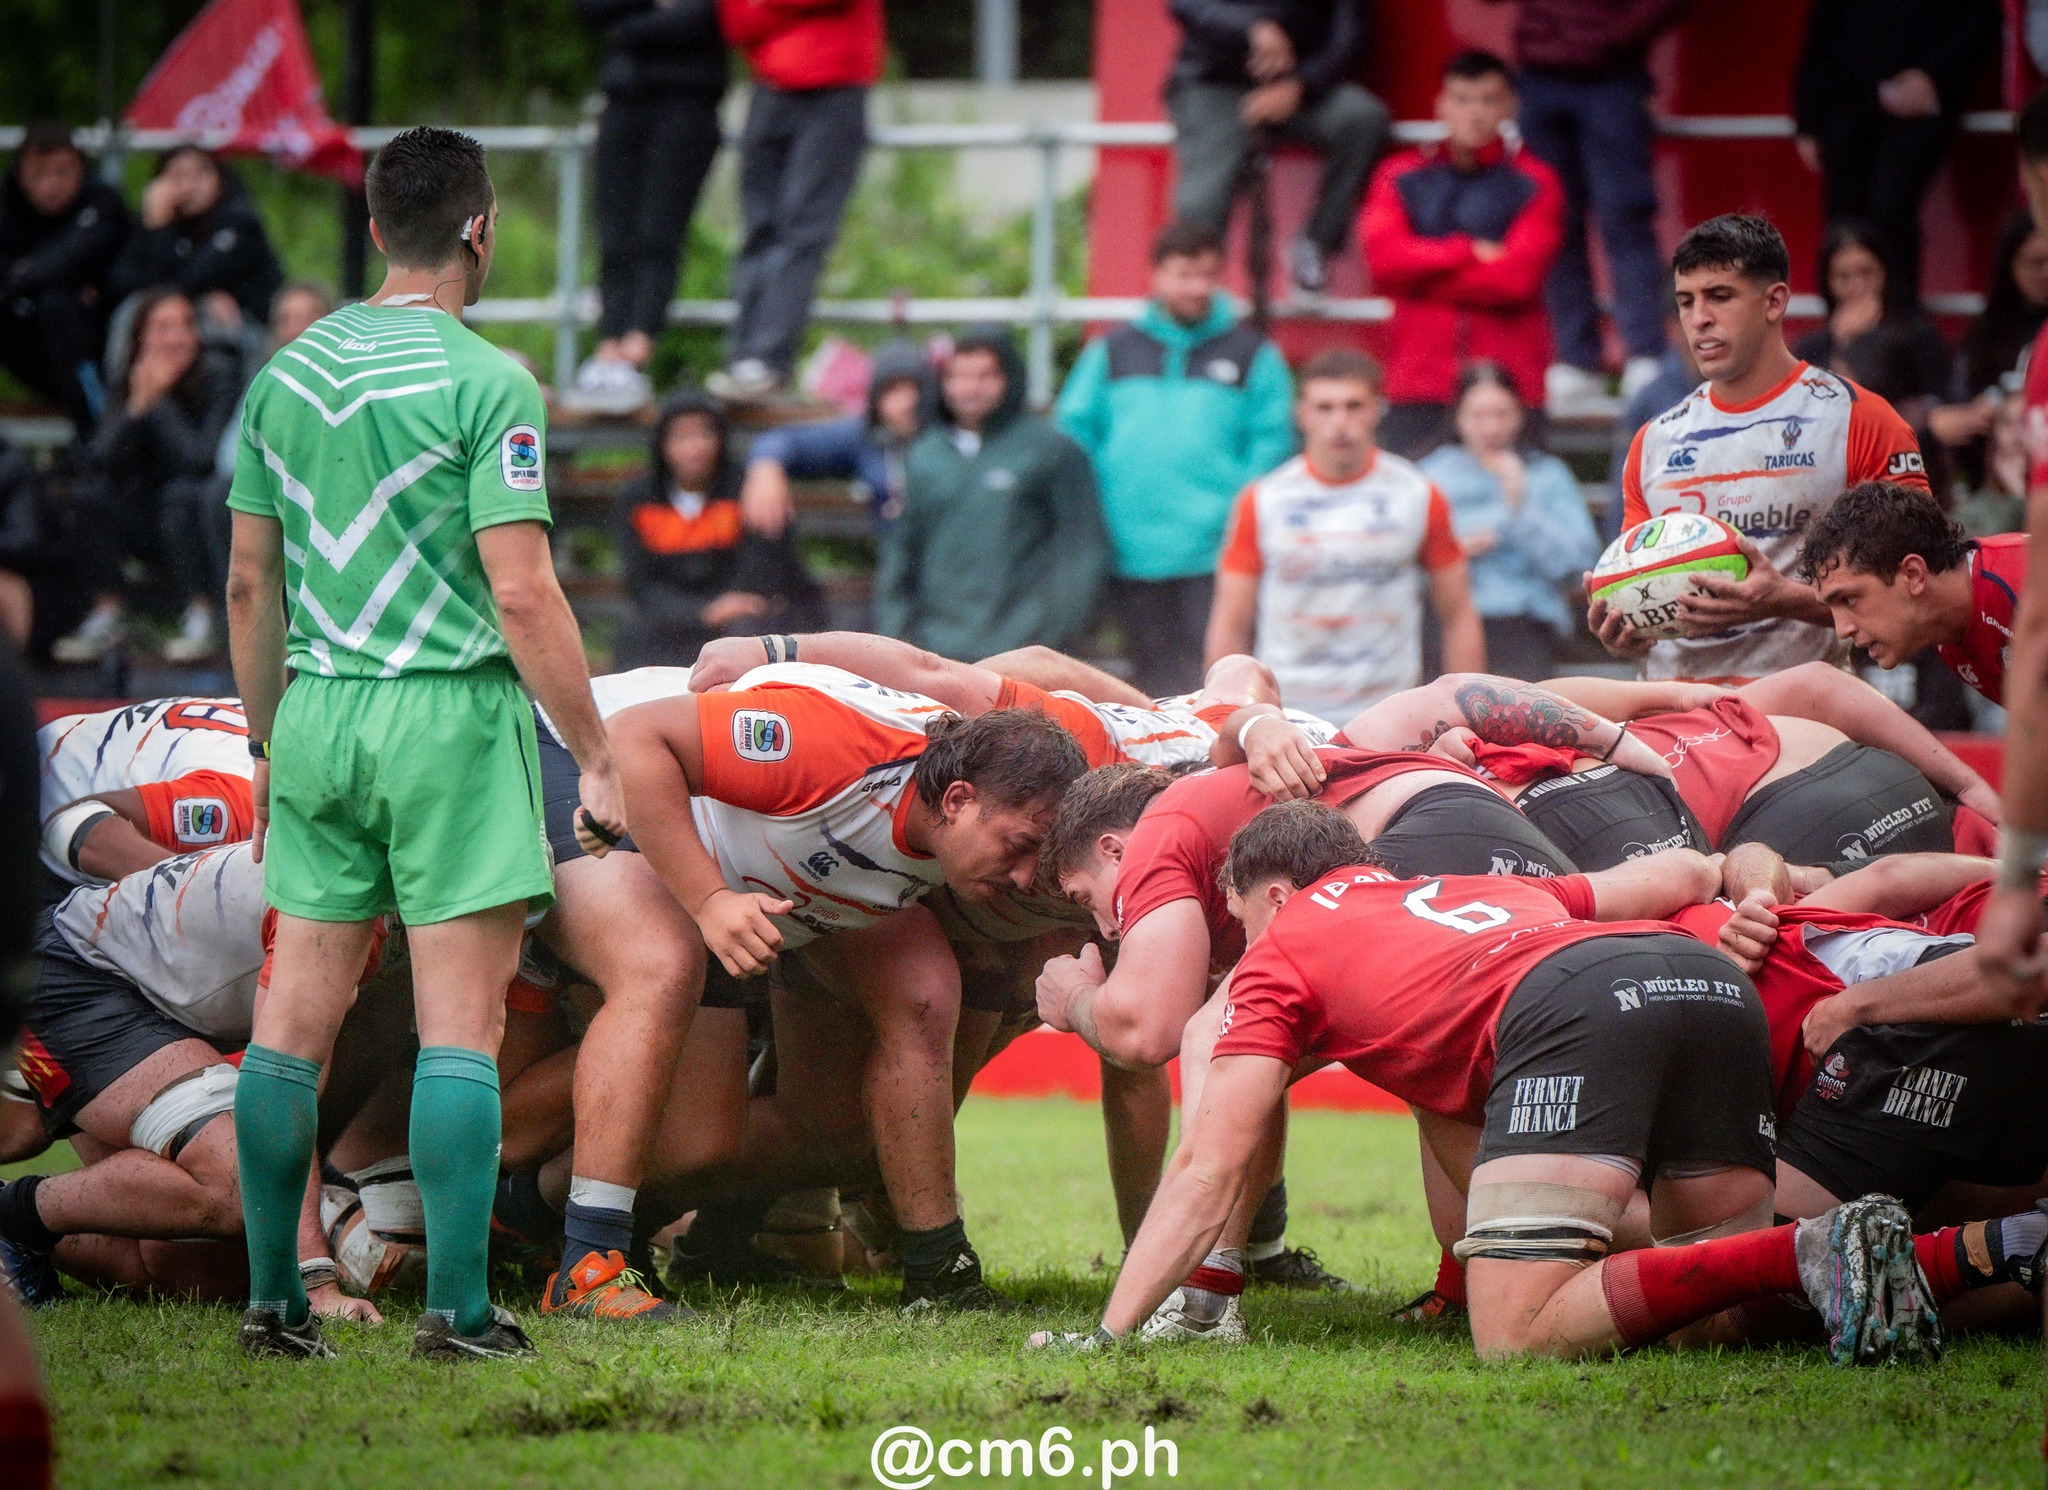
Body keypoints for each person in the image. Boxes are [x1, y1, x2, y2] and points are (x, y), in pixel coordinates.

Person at [1029, 801, 1938, 1365]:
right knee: (1710, 1315)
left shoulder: (1289, 943)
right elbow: (1663, 876)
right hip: (1699, 981)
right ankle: (1963, 1250)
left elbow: (1206, 1167)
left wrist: (1106, 1334)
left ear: (1273, 898)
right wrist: (1740, 880)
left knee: (1516, 1336)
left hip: (1576, 1005)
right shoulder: (1473, 889)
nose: (1242, 955)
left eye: (1240, 926)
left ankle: (1806, 1248)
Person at [224, 127, 628, 1362]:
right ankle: (456, 1310)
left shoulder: (282, 378)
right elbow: (523, 595)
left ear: (369, 228)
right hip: (447, 714)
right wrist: (596, 753)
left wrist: (265, 739)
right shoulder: (487, 379)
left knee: (293, 1021)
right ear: (480, 228)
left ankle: (272, 1300)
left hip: (319, 709)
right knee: (462, 1025)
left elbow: (250, 585)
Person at [605, 660, 1088, 1308]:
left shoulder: (1008, 795)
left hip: (773, 909)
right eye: (1019, 846)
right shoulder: (839, 746)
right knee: (697, 1145)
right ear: (958, 800)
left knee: (850, 1109)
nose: (1028, 877)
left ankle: (936, 1265)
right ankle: (541, 1212)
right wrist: (709, 897)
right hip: (629, 840)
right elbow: (634, 739)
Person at [1590, 214, 1931, 683]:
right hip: (1672, 724)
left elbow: (1918, 588)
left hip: (1805, 722)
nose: (1699, 318)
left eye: (1720, 296)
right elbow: (1638, 595)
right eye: (1686, 301)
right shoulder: (1654, 440)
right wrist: (1623, 628)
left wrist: (1783, 599)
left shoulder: (1859, 419)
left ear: (1774, 302)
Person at [1055, 221, 1296, 696]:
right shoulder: (1112, 349)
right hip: (1126, 549)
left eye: (1209, 274)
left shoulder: (1253, 354)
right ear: (1157, 275)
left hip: (1214, 555)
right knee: (1141, 687)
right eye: (1184, 274)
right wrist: (1097, 511)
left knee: (1214, 683)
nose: (1197, 287)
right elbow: (1073, 435)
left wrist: (1231, 510)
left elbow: (1273, 444)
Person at [1206, 347, 1484, 724]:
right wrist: (1220, 719)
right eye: (1325, 407)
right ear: (1301, 415)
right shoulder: (1264, 499)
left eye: (1353, 406)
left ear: (1376, 410)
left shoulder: (1417, 493)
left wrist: (1473, 716)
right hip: (1286, 714)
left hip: (1390, 714)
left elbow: (1458, 615)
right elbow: (1230, 622)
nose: (1340, 422)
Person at [1479, 0, 1690, 417]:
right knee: (1553, 223)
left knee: (1625, 219)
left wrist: (1612, 38)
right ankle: (1576, 359)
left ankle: (1643, 353)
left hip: (1613, 79)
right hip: (1538, 78)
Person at [1361, 50, 1564, 459]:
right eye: (1462, 98)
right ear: (1441, 104)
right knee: (1416, 511)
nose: (1475, 113)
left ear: (1509, 106)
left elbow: (1516, 280)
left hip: (1509, 384)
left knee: (1516, 512)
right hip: (1418, 380)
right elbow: (1384, 262)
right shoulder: (1398, 175)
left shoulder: (1537, 181)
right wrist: (1467, 250)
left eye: (1488, 100)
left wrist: (1423, 274)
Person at [876, 325, 1108, 661]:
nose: (971, 388)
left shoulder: (1051, 451)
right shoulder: (924, 455)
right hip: (936, 651)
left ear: (1010, 379)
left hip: (1023, 652)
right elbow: (900, 556)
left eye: (986, 376)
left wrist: (1052, 637)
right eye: (960, 376)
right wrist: (897, 638)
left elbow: (1081, 551)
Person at [52, 287, 242, 665]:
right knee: (87, 495)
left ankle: (201, 615)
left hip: (195, 514)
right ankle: (108, 613)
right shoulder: (131, 378)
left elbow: (200, 459)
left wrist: (158, 404)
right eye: (163, 327)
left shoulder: (218, 373)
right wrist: (136, 408)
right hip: (141, 517)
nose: (177, 338)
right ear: (141, 336)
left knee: (182, 495)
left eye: (186, 325)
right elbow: (99, 461)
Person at [705, 0, 882, 403]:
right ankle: (743, 357)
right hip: (770, 88)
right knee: (758, 228)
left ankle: (767, 361)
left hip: (835, 88)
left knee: (804, 230)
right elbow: (736, 22)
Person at [1163, 1, 1391, 296]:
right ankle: (1191, 298)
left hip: (1302, 85)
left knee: (1363, 118)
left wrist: (1303, 86)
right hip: (1213, 82)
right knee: (1203, 200)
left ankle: (1316, 245)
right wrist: (1252, 27)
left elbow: (1350, 34)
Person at [569, 0, 725, 412]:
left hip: (687, 105)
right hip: (623, 101)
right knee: (613, 233)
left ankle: (635, 352)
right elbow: (588, 12)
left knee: (657, 234)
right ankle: (607, 350)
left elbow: (695, 22)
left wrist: (632, 21)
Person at [1792, 0, 2001, 304]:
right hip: (1847, 106)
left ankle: (1897, 324)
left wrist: (1933, 76)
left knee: (1891, 210)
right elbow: (1821, 31)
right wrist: (1808, 119)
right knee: (1843, 220)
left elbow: (1982, 19)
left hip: (1917, 108)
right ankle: (1841, 324)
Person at [614, 390, 820, 668]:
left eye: (704, 434)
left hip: (746, 612)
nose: (694, 447)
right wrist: (703, 611)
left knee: (751, 635)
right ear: (662, 444)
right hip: (679, 619)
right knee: (633, 640)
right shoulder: (639, 500)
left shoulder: (747, 489)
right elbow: (643, 584)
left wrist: (732, 603)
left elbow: (769, 561)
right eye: (681, 436)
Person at [1419, 362, 1600, 679]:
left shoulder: (1548, 475)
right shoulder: (1429, 476)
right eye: (1477, 415)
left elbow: (1581, 566)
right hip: (1443, 618)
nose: (1490, 428)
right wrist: (1450, 552)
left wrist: (1521, 507)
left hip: (1522, 620)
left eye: (1501, 414)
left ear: (1519, 416)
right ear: (1458, 418)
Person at [1801, 482, 2025, 708]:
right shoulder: (1943, 632)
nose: (1841, 631)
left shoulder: (2022, 583)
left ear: (1914, 574)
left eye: (1848, 600)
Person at [1792, 222, 1953, 488]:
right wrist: (1842, 343)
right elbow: (1812, 417)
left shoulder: (1918, 336)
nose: (1857, 287)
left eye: (1866, 273)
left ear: (1885, 273)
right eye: (1843, 277)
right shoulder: (1812, 348)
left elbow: (1941, 405)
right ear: (1827, 282)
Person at [36, 694, 254, 886]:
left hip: (45, 756)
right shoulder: (240, 800)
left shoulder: (272, 722)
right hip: (30, 818)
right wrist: (193, 894)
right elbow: (73, 823)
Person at [0, 122, 128, 438]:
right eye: (39, 174)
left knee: (57, 304)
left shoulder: (102, 203)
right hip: (30, 346)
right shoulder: (9, 216)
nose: (51, 185)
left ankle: (97, 438)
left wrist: (24, 275)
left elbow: (78, 256)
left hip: (97, 349)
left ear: (81, 169)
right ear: (21, 176)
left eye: (62, 172)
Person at [737, 337, 934, 541]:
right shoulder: (867, 436)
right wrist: (766, 468)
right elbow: (784, 442)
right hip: (899, 563)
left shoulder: (948, 434)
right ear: (876, 397)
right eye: (893, 390)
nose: (907, 402)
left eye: (915, 389)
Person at [109, 146, 284, 337]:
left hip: (247, 333)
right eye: (178, 176)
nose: (191, 186)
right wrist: (156, 226)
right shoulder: (155, 223)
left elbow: (191, 279)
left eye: (201, 174)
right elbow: (120, 282)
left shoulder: (239, 222)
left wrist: (160, 229)